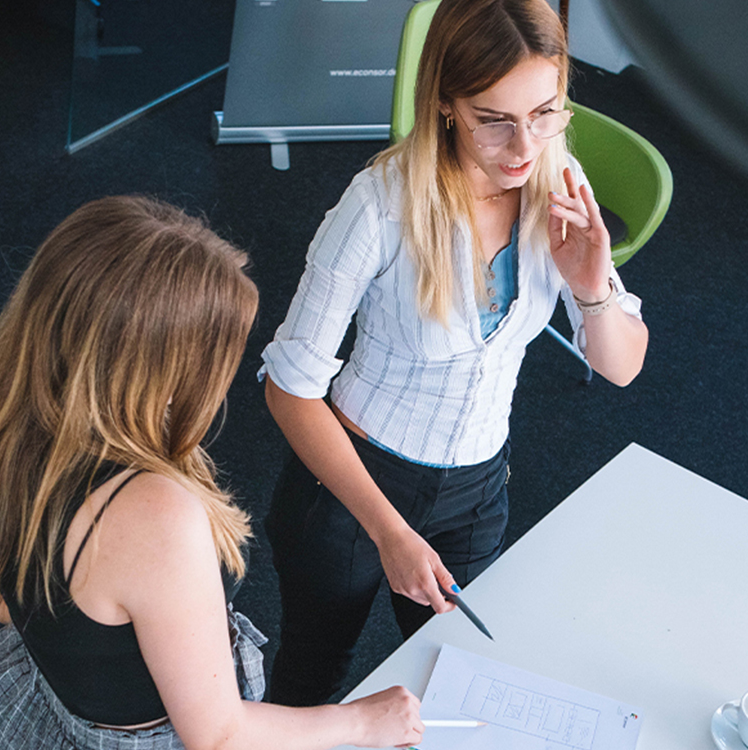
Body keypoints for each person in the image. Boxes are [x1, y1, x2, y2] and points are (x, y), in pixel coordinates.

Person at [0, 196, 423, 750]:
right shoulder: (152, 514)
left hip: (33, 705)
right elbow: (219, 741)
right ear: (155, 363)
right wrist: (362, 720)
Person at [260, 0, 649, 706]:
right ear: (445, 104)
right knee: (312, 683)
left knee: (456, 687)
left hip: (475, 490)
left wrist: (592, 287)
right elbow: (289, 389)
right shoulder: (378, 206)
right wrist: (390, 532)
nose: (523, 147)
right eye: (494, 119)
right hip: (353, 487)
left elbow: (622, 366)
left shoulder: (558, 180)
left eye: (544, 112)